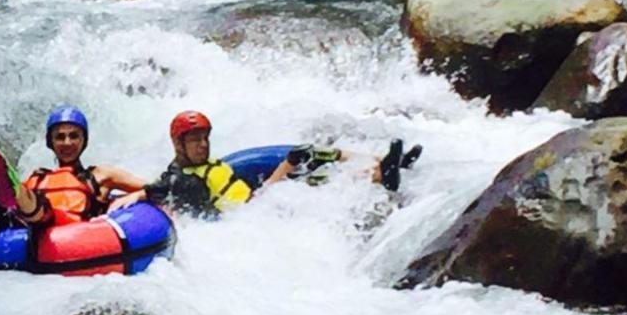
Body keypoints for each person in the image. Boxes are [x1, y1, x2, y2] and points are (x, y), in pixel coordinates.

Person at [0, 105, 147, 279]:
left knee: (39, 206)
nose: (67, 143)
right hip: (31, 220)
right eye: (60, 137)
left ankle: (16, 189)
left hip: (65, 226)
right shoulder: (40, 176)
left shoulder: (101, 174)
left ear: (84, 140)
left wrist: (138, 195)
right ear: (51, 143)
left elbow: (155, 187)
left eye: (74, 136)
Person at [110, 110, 420, 219]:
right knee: (299, 160)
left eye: (205, 138)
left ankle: (385, 165)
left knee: (314, 164)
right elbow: (154, 190)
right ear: (179, 144)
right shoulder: (179, 179)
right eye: (195, 140)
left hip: (254, 192)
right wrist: (132, 196)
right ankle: (380, 174)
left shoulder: (199, 165)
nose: (203, 144)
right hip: (252, 210)